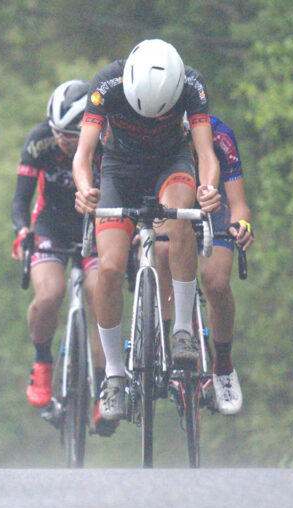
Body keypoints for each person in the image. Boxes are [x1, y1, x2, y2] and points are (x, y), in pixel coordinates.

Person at [73, 39, 221, 421]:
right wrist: (85, 190)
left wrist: (207, 188)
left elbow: (205, 153)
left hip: (170, 162)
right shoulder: (107, 83)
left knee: (181, 218)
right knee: (108, 267)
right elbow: (83, 154)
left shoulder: (191, 85)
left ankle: (183, 330)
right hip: (118, 170)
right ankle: (115, 376)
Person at [11, 80, 115, 435]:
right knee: (50, 294)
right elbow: (19, 200)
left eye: (70, 135)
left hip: (95, 228)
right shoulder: (39, 140)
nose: (61, 140)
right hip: (51, 224)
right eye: (56, 131)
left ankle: (104, 387)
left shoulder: (106, 142)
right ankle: (42, 362)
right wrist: (22, 231)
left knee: (99, 293)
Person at [155, 114, 253, 414]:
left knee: (216, 281)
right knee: (160, 252)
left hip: (213, 214)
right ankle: (165, 335)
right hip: (172, 210)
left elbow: (238, 203)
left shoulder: (221, 135)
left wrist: (241, 225)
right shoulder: (156, 134)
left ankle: (223, 365)